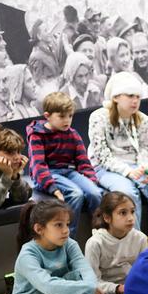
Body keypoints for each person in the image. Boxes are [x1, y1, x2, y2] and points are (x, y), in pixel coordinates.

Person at [87, 71, 148, 231]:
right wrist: (128, 172)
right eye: (130, 96)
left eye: (138, 97)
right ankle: (136, 244)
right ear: (116, 97)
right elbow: (102, 155)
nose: (135, 101)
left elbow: (145, 151)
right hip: (105, 168)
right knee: (128, 194)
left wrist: (147, 168)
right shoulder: (98, 117)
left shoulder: (143, 119)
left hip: (136, 165)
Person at [26, 91, 103, 236]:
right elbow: (38, 166)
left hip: (69, 173)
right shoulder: (37, 134)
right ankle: (68, 237)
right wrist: (54, 189)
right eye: (61, 116)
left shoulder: (72, 134)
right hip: (48, 174)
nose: (67, 120)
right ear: (48, 116)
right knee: (76, 194)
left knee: (95, 193)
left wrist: (92, 181)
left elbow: (83, 161)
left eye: (70, 116)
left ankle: (99, 234)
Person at [84, 191, 148, 294]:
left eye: (132, 211)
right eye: (123, 213)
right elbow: (92, 282)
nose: (130, 218)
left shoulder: (140, 238)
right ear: (107, 218)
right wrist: (117, 288)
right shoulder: (95, 243)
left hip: (134, 291)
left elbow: (147, 272)